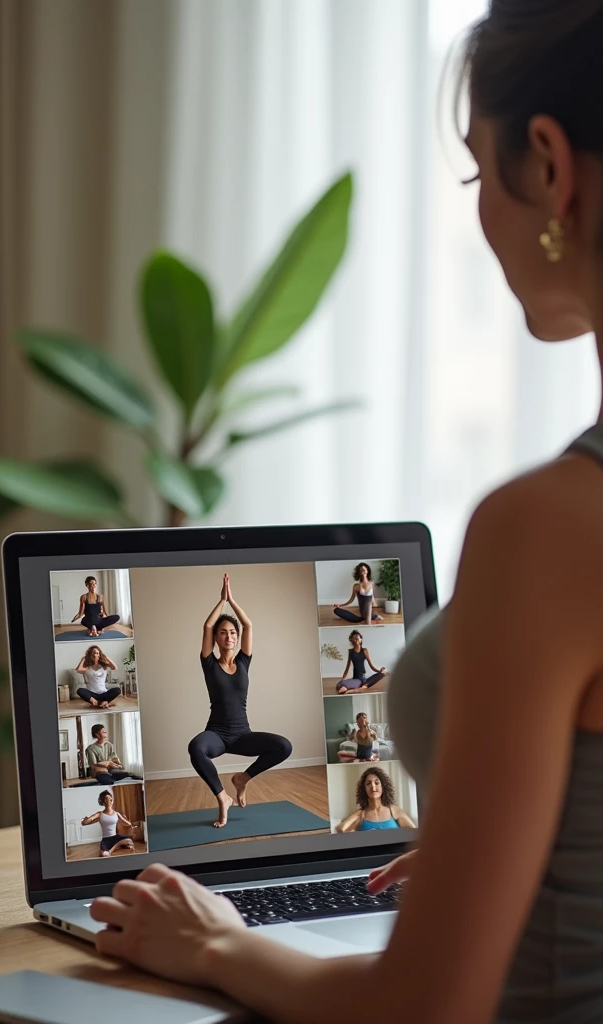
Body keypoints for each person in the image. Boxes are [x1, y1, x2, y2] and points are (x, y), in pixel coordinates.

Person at [89, 4, 603, 1021]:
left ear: (546, 164)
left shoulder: (548, 528)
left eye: (472, 172)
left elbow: (421, 1007)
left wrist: (216, 946)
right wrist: (498, 855)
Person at [187, 573, 293, 828]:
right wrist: (219, 602)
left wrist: (231, 600)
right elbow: (207, 627)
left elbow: (249, 625)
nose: (229, 636)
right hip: (218, 734)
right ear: (217, 638)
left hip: (242, 734)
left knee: (284, 746)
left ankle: (243, 779)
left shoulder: (244, 660)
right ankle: (222, 797)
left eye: (232, 632)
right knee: (195, 748)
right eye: (223, 633)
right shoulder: (209, 663)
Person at [335, 767, 415, 832]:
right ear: (364, 789)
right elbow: (340, 829)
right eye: (368, 783)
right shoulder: (361, 814)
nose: (373, 787)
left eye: (377, 783)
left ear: (383, 787)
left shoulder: (394, 810)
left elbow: (413, 833)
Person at [81, 790, 135, 857]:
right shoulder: (99, 814)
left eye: (110, 798)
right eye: (107, 798)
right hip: (106, 839)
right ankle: (116, 847)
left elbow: (128, 824)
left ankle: (112, 849)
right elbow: (84, 822)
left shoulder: (117, 814)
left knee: (129, 841)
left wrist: (125, 819)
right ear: (103, 801)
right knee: (104, 855)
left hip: (115, 837)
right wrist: (88, 819)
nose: (109, 800)